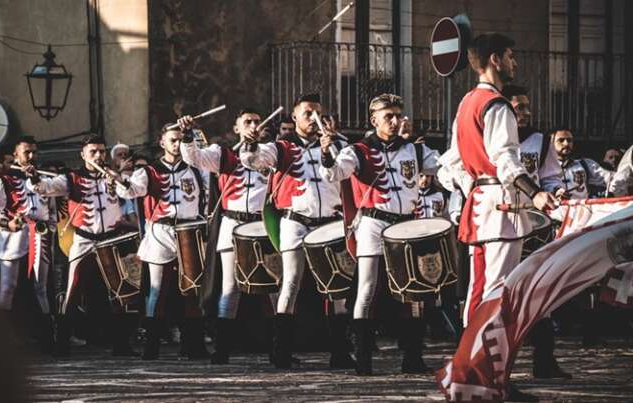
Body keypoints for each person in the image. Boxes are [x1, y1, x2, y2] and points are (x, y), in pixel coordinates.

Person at [437, 33, 558, 401]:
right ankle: (481, 378)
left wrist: (474, 187)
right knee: (495, 295)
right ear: (494, 59)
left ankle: (478, 376)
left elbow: (451, 164)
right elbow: (506, 162)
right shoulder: (497, 105)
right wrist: (534, 192)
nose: (514, 63)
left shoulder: (466, 102)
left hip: (482, 205)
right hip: (500, 210)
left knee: (482, 292)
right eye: (510, 56)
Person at [320, 93, 440, 375]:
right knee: (367, 287)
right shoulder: (358, 150)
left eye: (399, 115)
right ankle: (363, 358)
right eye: (389, 116)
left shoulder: (415, 150)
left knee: (413, 290)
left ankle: (413, 356)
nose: (395, 121)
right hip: (373, 222)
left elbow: (444, 168)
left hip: (407, 224)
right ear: (374, 120)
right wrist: (326, 153)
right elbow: (336, 172)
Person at [239, 93, 352, 370]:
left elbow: (347, 171)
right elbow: (253, 161)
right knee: (290, 282)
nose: (314, 119)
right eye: (308, 114)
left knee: (336, 288)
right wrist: (251, 143)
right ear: (295, 118)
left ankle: (340, 351)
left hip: (329, 222)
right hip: (295, 221)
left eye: (318, 114)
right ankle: (281, 351)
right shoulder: (281, 147)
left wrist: (332, 145)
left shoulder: (338, 144)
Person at [26, 135, 140, 357]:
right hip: (84, 239)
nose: (98, 155)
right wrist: (33, 178)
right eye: (93, 152)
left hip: (111, 240)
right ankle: (62, 343)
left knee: (118, 291)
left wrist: (117, 180)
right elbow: (44, 188)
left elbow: (131, 192)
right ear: (83, 154)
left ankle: (121, 344)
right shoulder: (71, 178)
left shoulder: (114, 176)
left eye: (101, 151)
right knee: (74, 290)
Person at [179, 108, 272, 364]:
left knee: (272, 288)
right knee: (230, 288)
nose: (254, 124)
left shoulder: (271, 154)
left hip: (264, 227)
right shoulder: (222, 154)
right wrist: (187, 134)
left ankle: (278, 347)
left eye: (256, 121)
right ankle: (222, 349)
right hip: (232, 225)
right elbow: (193, 157)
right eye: (247, 122)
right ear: (237, 128)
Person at [115, 125, 211, 361]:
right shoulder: (149, 171)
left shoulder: (196, 168)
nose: (177, 144)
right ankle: (152, 346)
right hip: (161, 231)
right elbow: (132, 192)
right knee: (157, 289)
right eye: (172, 140)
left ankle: (194, 344)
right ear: (162, 143)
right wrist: (121, 181)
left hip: (189, 230)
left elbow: (208, 197)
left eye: (180, 140)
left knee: (192, 289)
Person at [501, 84, 569, 379]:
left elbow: (550, 177)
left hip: (536, 225)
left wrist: (557, 191)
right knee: (503, 291)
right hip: (502, 224)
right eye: (519, 107)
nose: (526, 113)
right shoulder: (494, 136)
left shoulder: (541, 141)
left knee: (540, 289)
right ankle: (496, 363)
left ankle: (544, 359)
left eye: (527, 107)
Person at [0, 136, 53, 352]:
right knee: (7, 287)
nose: (31, 156)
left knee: (40, 287)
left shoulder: (43, 181)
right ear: (16, 154)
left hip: (39, 235)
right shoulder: (3, 181)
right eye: (27, 152)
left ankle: (46, 337)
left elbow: (51, 209)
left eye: (34, 152)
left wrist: (49, 227)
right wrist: (7, 223)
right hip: (13, 236)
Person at [550, 128, 613, 199]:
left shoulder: (586, 164)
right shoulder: (544, 168)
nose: (566, 143)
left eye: (569, 140)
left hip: (582, 208)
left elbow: (611, 178)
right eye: (561, 140)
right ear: (551, 144)